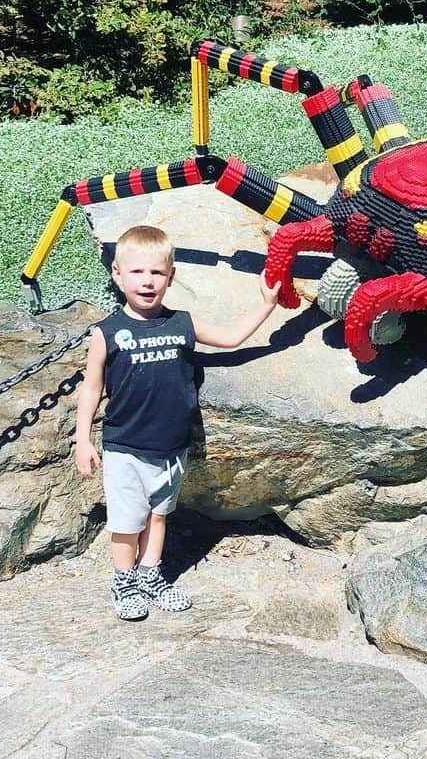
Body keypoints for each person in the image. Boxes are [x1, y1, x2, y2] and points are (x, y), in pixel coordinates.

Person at [74, 224, 284, 620]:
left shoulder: (183, 324)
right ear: (117, 275)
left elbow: (231, 337)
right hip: (125, 448)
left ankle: (151, 576)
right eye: (137, 272)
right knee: (126, 521)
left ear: (170, 277)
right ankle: (124, 581)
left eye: (157, 272)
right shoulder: (107, 333)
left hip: (171, 447)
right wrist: (82, 440)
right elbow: (91, 389)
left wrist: (266, 304)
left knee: (158, 514)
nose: (147, 281)